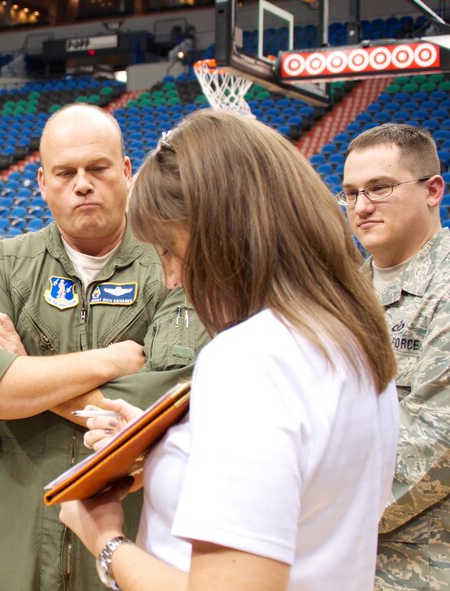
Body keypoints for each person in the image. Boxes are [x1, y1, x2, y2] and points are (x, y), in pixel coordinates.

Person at [58, 110, 399, 591]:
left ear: (229, 234)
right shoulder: (349, 333)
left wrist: (107, 541)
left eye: (173, 250)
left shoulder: (248, 359)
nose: (171, 278)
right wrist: (178, 445)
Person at [0, 103, 208, 590]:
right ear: (42, 182)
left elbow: (163, 403)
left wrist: (25, 371)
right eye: (65, 172)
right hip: (14, 541)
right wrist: (112, 360)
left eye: (98, 169)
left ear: (127, 172)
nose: (82, 183)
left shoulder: (172, 265)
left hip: (130, 540)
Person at [340, 123, 450, 590]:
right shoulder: (344, 290)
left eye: (380, 188)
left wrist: (318, 508)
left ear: (433, 190)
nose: (362, 207)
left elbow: (438, 439)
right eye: (350, 193)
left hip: (421, 567)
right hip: (342, 562)